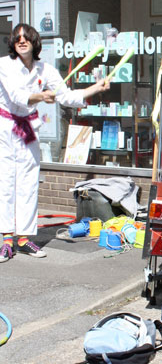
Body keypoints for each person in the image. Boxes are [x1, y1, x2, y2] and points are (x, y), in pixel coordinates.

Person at [0, 23, 110, 262]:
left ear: (34, 42)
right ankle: (7, 239)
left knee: (29, 183)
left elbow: (66, 96)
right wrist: (41, 96)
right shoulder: (4, 65)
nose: (21, 41)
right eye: (17, 38)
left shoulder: (45, 69)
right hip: (6, 129)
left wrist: (94, 88)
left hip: (29, 129)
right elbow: (17, 96)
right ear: (13, 42)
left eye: (26, 37)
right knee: (6, 183)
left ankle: (24, 238)